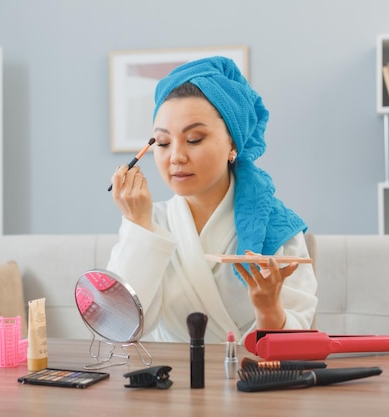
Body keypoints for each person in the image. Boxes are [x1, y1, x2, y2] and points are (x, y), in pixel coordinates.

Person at [107, 56, 317, 344]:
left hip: (253, 380)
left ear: (233, 143)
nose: (177, 157)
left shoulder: (277, 229)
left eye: (194, 139)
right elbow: (121, 327)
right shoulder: (149, 221)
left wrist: (269, 311)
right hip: (168, 382)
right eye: (164, 143)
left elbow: (299, 343)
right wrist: (139, 226)